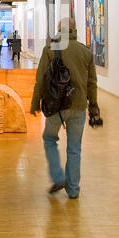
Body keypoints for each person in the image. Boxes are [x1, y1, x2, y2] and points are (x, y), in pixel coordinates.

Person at [30, 17, 101, 199]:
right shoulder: (85, 52)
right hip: (78, 106)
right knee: (75, 148)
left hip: (57, 105)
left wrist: (34, 103)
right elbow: (92, 82)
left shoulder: (50, 49)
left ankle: (58, 176)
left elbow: (40, 80)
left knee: (49, 138)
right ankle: (73, 189)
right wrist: (93, 107)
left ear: (59, 29)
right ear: (74, 30)